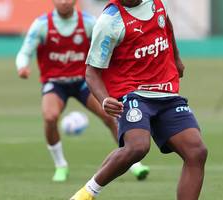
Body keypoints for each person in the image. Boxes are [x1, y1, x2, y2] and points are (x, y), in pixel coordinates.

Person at [70, 0, 208, 199]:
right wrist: (104, 99)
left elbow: (166, 28)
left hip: (165, 92)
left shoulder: (159, 3)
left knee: (197, 151)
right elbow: (92, 72)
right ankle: (87, 193)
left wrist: (176, 58)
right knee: (137, 147)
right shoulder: (110, 21)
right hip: (132, 92)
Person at [15, 0, 149, 182]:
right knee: (49, 117)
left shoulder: (88, 22)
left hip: (83, 82)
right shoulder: (42, 24)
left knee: (111, 115)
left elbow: (107, 43)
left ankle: (134, 163)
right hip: (55, 83)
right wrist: (22, 66)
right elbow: (25, 51)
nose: (64, 2)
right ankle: (61, 165)